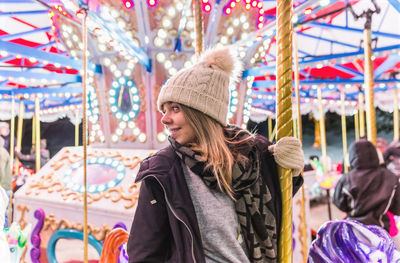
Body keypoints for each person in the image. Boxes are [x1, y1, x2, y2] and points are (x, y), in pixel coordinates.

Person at [127, 46, 304, 263]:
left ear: (201, 111)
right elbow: (144, 253)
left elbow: (275, 205)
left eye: (174, 108)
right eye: (164, 110)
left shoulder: (254, 154)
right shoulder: (163, 171)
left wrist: (290, 171)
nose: (164, 119)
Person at [333, 139, 400, 233]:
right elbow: (397, 209)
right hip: (381, 230)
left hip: (354, 229)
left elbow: (339, 203)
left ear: (352, 156)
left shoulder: (346, 179)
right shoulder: (390, 177)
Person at [0, 137, 11, 228]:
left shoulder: (1, 153)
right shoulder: (3, 151)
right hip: (4, 186)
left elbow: (1, 171)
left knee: (2, 214)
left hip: (3, 186)